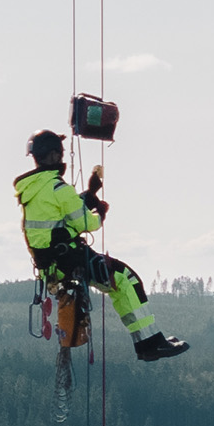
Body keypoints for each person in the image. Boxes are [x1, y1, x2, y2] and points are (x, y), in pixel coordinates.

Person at [16, 129, 190, 361]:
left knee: (120, 280)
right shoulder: (59, 188)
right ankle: (149, 344)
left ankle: (150, 342)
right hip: (69, 259)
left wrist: (90, 194)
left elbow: (62, 214)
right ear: (54, 155)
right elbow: (87, 223)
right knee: (126, 279)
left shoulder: (33, 189)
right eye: (60, 153)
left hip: (52, 264)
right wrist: (100, 213)